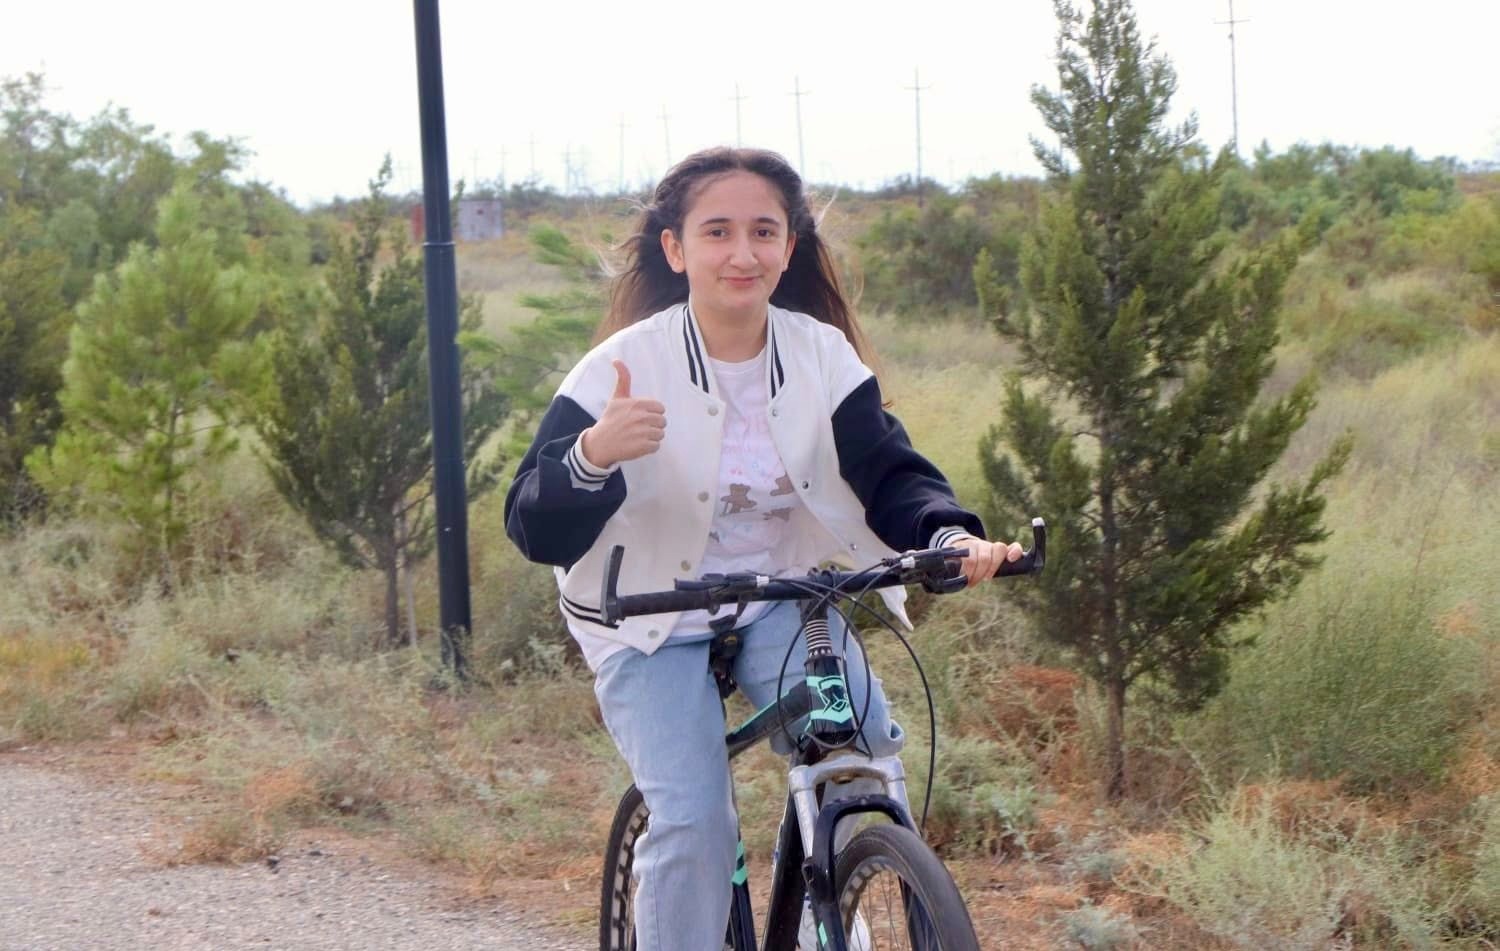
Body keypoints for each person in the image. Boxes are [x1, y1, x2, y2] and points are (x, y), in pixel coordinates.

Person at [503, 146, 1021, 951]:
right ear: (676, 249)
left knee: (862, 753)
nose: (741, 253)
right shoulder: (621, 367)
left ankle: (826, 904)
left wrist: (947, 535)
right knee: (695, 819)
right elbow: (531, 523)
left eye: (763, 231)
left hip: (779, 595)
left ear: (788, 246)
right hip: (645, 614)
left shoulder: (820, 356)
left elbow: (889, 472)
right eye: (717, 231)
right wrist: (593, 455)